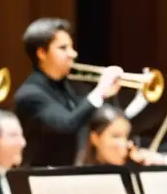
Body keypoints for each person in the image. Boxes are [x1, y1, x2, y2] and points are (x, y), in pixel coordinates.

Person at [13, 18, 132, 167]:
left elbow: (97, 123)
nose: (73, 54)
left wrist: (111, 95)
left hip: (67, 174)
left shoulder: (68, 88)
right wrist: (100, 91)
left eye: (71, 47)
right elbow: (66, 125)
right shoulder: (31, 94)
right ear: (42, 53)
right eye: (63, 48)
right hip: (41, 180)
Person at [75, 106, 167, 167]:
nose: (123, 143)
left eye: (126, 136)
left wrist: (160, 162)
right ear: (95, 138)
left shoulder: (133, 167)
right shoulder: (79, 177)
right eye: (116, 136)